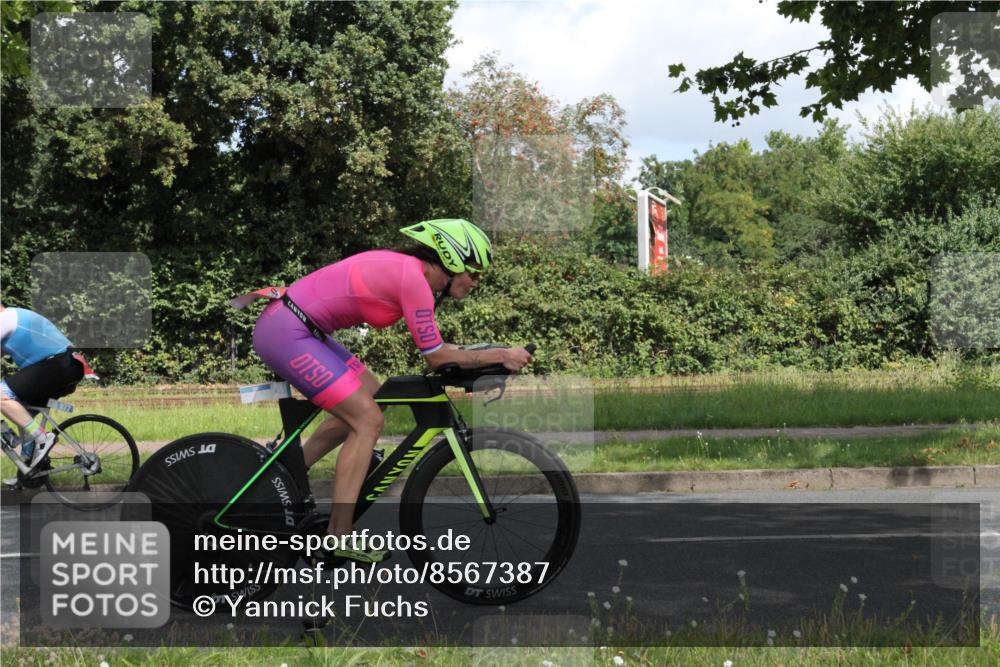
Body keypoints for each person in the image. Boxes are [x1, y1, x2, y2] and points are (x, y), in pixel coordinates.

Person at [244, 219, 532, 563]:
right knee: (367, 420)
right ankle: (338, 536)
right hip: (287, 332)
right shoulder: (414, 280)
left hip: (300, 328)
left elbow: (438, 348)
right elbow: (437, 357)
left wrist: (490, 354)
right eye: (474, 272)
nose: (475, 281)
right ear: (452, 259)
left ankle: (284, 474)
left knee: (375, 396)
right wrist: (501, 355)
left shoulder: (413, 275)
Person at [0, 304, 87, 475]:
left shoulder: (5, 319)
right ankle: (29, 471)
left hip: (57, 365)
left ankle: (42, 437)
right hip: (68, 366)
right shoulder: (13, 318)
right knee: (21, 414)